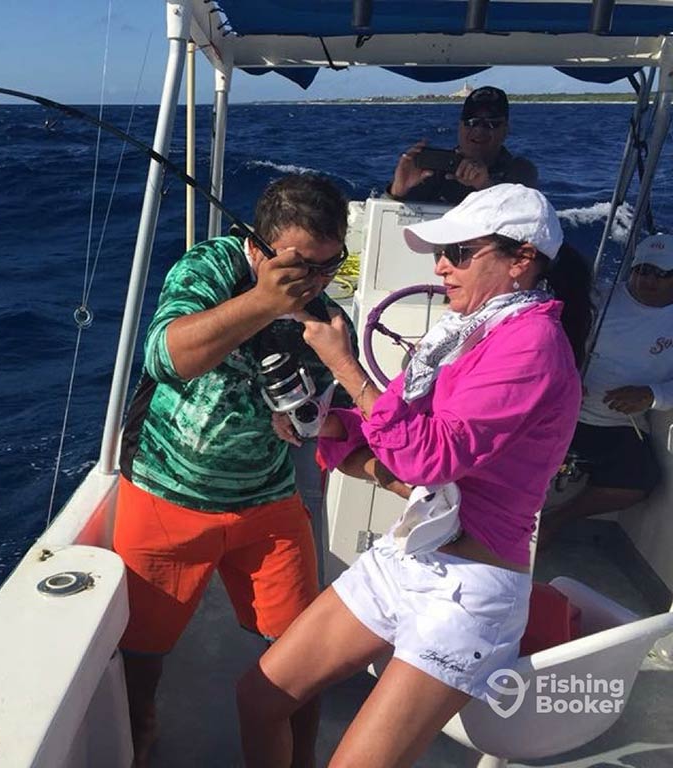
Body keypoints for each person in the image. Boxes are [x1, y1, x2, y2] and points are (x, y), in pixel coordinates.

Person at [237, 184, 593, 768]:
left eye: (459, 252)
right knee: (260, 697)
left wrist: (344, 364)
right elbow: (388, 419)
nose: (441, 266)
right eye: (439, 253)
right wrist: (330, 426)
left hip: (468, 592)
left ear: (521, 261)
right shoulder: (461, 334)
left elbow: (430, 457)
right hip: (407, 558)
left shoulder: (533, 343)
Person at [114, 173, 356, 768]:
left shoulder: (324, 307)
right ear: (257, 247)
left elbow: (321, 408)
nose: (315, 282)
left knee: (301, 653)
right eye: (300, 268)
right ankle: (139, 735)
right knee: (143, 654)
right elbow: (165, 356)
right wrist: (264, 302)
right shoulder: (212, 268)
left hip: (268, 501)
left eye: (331, 265)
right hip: (167, 494)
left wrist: (304, 419)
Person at [540, 233, 673, 546]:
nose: (648, 280)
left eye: (661, 274)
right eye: (643, 270)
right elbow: (548, 342)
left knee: (641, 480)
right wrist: (566, 378)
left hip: (618, 424)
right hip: (563, 411)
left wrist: (652, 394)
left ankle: (554, 522)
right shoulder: (596, 300)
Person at [388, 86, 538, 205]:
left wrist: (485, 186)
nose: (479, 130)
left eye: (491, 124)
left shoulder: (520, 171)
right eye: (471, 122)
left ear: (505, 129)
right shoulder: (432, 171)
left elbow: (526, 221)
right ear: (459, 126)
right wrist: (398, 190)